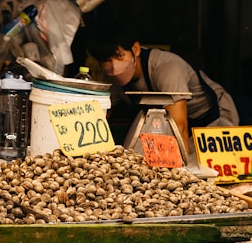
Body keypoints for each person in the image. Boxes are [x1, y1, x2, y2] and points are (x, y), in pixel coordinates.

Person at [87, 19, 240, 157]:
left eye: (120, 56)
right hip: (172, 121)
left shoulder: (167, 68)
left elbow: (179, 127)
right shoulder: (112, 78)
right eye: (107, 60)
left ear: (135, 49)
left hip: (214, 118)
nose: (114, 67)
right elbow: (100, 115)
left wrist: (180, 175)